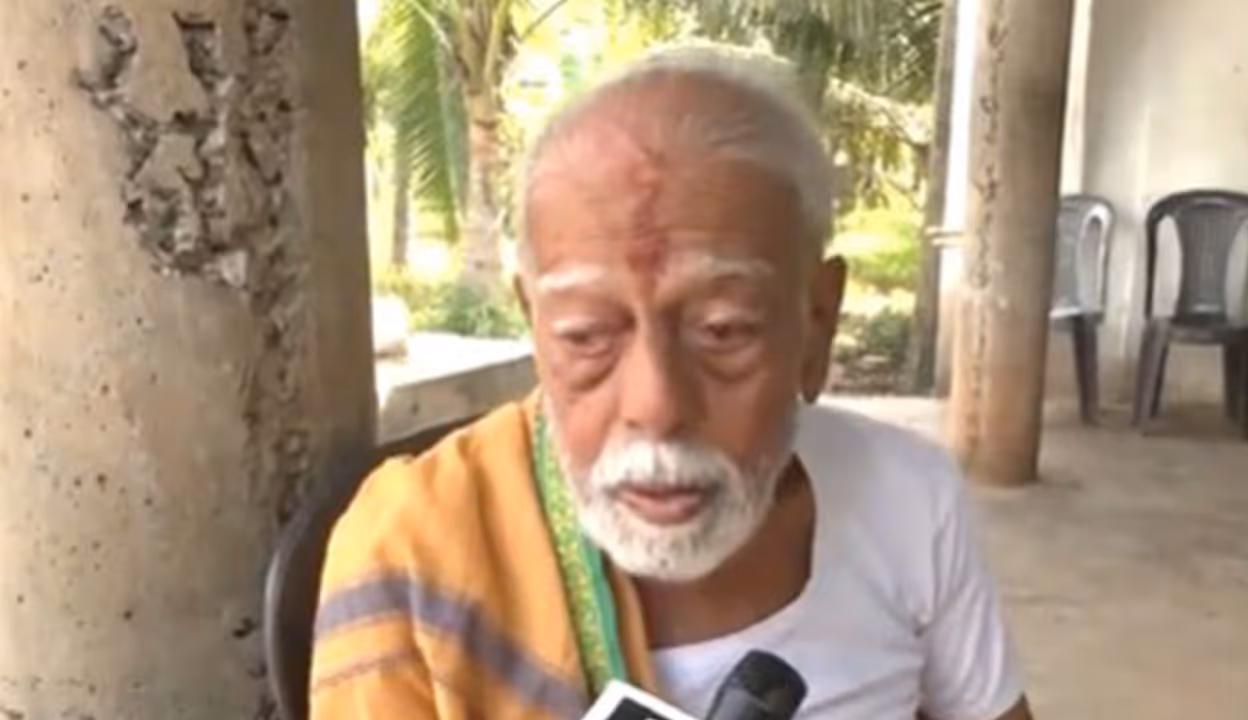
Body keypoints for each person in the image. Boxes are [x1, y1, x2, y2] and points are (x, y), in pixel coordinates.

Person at [310, 44, 1032, 720]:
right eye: (588, 336)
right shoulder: (412, 546)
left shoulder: (909, 498)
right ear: (534, 322)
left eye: (722, 331)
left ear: (816, 321)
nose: (655, 407)